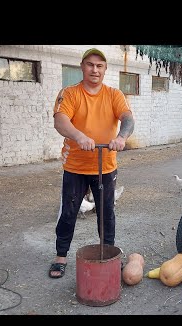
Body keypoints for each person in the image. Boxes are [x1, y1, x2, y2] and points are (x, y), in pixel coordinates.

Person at [49, 48, 135, 278]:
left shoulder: (114, 95)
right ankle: (60, 256)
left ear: (105, 69)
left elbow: (127, 118)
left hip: (105, 165)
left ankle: (108, 254)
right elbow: (60, 121)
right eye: (90, 65)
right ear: (82, 67)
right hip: (75, 166)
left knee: (106, 214)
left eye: (99, 66)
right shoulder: (70, 93)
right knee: (68, 212)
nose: (94, 70)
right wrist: (79, 136)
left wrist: (121, 137)